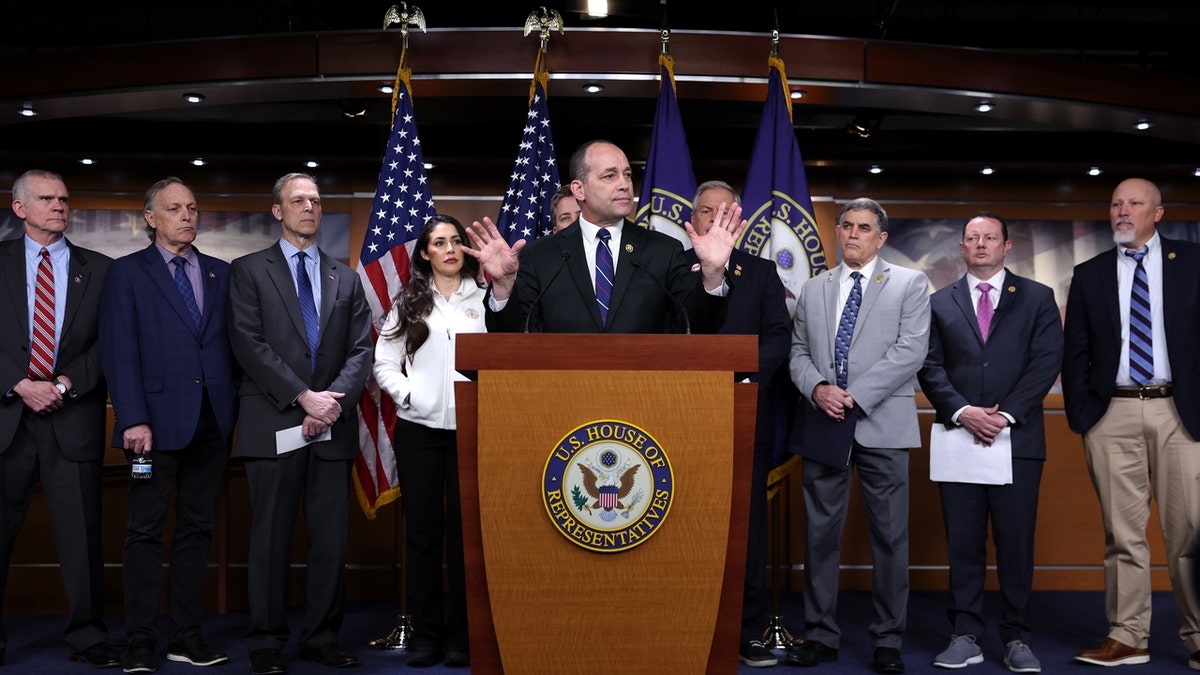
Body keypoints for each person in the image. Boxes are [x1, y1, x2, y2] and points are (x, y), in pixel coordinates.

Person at [227, 173, 373, 675]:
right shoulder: (247, 271)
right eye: (297, 201)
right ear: (277, 211)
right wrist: (303, 397)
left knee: (330, 539)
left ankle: (321, 637)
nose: (308, 207)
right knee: (269, 537)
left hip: (332, 424)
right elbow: (248, 343)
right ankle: (265, 640)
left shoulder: (345, 277)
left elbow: (361, 350)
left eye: (314, 200)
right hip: (273, 422)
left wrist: (328, 405)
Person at [98, 177, 238, 673]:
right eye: (175, 208)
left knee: (197, 531)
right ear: (151, 218)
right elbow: (118, 349)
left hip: (211, 427)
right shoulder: (127, 273)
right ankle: (140, 640)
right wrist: (132, 417)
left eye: (193, 208)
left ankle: (186, 636)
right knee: (144, 532)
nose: (187, 216)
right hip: (150, 430)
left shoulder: (222, 274)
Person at [786, 198, 930, 675]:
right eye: (845, 225)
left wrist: (852, 395)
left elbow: (910, 353)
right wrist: (819, 388)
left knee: (890, 538)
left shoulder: (909, 284)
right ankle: (821, 636)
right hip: (825, 421)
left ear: (881, 237)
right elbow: (798, 352)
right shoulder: (813, 288)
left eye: (864, 228)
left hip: (882, 425)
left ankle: (888, 639)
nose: (852, 234)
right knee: (819, 536)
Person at [1062, 178, 1200, 668]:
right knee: (1122, 534)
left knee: (1191, 533)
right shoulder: (1090, 273)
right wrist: (1085, 415)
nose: (1123, 211)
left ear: (1157, 213)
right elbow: (1075, 350)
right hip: (1111, 413)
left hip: (1180, 411)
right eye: (1116, 203)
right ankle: (1128, 637)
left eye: (1135, 203)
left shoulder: (1193, 262)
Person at [917, 212, 1062, 673]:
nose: (981, 244)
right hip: (959, 436)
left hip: (1016, 440)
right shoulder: (939, 303)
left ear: (1006, 247)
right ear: (961, 248)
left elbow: (1046, 361)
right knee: (963, 543)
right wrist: (963, 411)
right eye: (972, 238)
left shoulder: (1038, 298)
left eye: (990, 238)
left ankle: (1018, 638)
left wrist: (1005, 416)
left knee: (1015, 543)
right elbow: (929, 365)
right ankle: (965, 635)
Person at [0, 170, 117, 668]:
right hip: (8, 418)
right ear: (20, 207)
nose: (59, 206)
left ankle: (89, 639)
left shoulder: (102, 269)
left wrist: (64, 384)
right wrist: (20, 382)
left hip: (73, 417)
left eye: (64, 199)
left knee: (82, 537)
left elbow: (108, 344)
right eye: (46, 199)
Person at [463, 139, 742, 334]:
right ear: (579, 190)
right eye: (610, 176)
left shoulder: (662, 250)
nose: (624, 184)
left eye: (628, 175)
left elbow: (699, 324)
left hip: (645, 396)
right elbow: (512, 333)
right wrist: (502, 286)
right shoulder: (542, 254)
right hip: (563, 395)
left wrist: (713, 275)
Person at [374, 215, 484, 669]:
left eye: (457, 241)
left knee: (464, 536)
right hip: (419, 431)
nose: (451, 249)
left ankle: (460, 634)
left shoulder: (486, 300)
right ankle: (426, 634)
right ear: (425, 253)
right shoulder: (409, 303)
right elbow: (384, 364)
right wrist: (410, 394)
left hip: (472, 429)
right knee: (423, 534)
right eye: (440, 243)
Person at [689, 181, 791, 668]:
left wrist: (742, 379)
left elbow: (777, 338)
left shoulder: (763, 272)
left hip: (746, 413)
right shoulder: (673, 266)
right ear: (693, 218)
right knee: (684, 522)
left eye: (722, 211)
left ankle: (747, 630)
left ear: (738, 219)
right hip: (680, 418)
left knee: (745, 529)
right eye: (704, 211)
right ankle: (689, 624)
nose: (713, 218)